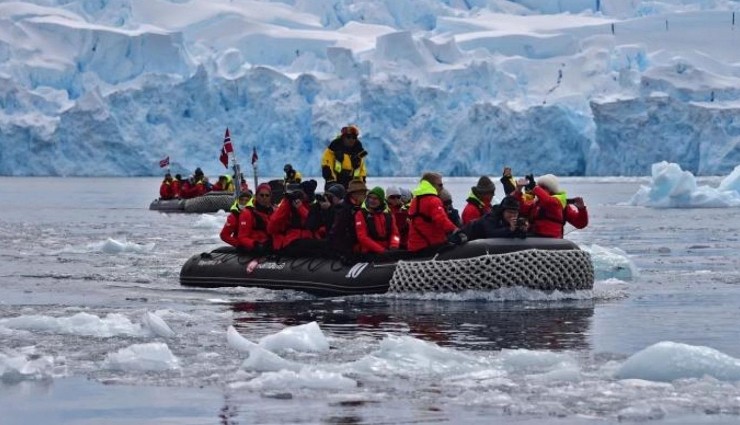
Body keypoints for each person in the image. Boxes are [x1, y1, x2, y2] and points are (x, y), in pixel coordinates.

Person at [407, 172, 465, 253]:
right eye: (440, 185)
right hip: (430, 246)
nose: (442, 188)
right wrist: (456, 230)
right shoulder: (433, 200)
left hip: (415, 246)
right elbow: (441, 219)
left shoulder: (415, 200)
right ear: (431, 185)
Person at [267, 182, 324, 256]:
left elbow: (314, 223)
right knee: (320, 246)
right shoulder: (289, 204)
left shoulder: (311, 206)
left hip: (307, 238)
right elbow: (272, 226)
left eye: (302, 193)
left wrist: (301, 208)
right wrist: (287, 203)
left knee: (325, 245)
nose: (300, 196)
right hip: (292, 241)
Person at [516, 174, 565, 238]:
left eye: (544, 187)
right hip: (535, 233)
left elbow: (547, 201)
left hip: (550, 235)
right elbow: (521, 208)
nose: (541, 189)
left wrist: (535, 188)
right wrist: (518, 190)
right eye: (540, 186)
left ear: (551, 189)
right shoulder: (536, 203)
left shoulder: (556, 202)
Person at [328, 179, 367, 258]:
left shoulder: (363, 207)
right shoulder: (344, 209)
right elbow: (338, 231)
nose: (364, 195)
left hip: (360, 244)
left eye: (364, 192)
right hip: (348, 246)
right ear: (353, 194)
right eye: (361, 192)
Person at [354, 187, 400, 254]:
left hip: (388, 251)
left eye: (375, 198)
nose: (372, 200)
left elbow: (395, 234)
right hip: (369, 253)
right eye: (370, 197)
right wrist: (381, 250)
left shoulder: (388, 215)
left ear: (381, 200)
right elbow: (362, 237)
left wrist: (394, 245)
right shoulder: (361, 214)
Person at [321, 125, 368, 189]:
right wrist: (331, 181)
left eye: (354, 137)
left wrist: (360, 185)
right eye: (348, 137)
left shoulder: (358, 153)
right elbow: (327, 166)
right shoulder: (333, 150)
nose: (351, 140)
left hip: (352, 187)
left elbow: (362, 172)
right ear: (343, 137)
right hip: (335, 184)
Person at [462, 195, 528, 241]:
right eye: (509, 212)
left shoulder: (515, 220)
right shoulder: (492, 216)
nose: (513, 215)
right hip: (468, 235)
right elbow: (491, 233)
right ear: (503, 211)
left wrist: (522, 230)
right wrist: (510, 229)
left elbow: (517, 236)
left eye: (515, 213)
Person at [237, 183, 274, 254]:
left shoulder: (274, 211)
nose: (264, 197)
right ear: (256, 196)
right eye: (261, 195)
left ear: (270, 197)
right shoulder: (247, 213)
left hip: (269, 243)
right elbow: (242, 237)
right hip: (255, 245)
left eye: (267, 195)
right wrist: (255, 245)